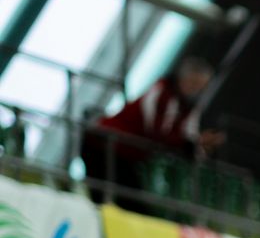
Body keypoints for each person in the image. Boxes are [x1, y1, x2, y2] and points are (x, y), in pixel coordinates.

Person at [86, 56, 220, 191]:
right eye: (194, 83)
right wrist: (192, 144)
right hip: (103, 145)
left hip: (122, 153)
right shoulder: (161, 92)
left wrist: (197, 145)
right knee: (124, 198)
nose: (196, 89)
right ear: (183, 78)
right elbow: (158, 132)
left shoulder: (187, 107)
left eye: (201, 86)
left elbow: (187, 137)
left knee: (127, 198)